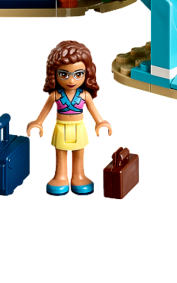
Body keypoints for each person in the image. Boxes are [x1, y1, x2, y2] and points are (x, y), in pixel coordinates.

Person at [25, 41, 112, 195]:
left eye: (78, 74)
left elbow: (94, 111)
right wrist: (38, 123)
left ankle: (79, 176)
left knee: (79, 152)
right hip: (61, 127)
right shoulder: (55, 95)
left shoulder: (84, 95)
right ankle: (60, 176)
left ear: (87, 73)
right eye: (64, 74)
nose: (71, 81)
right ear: (54, 74)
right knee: (61, 153)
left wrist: (100, 122)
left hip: (79, 127)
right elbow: (45, 111)